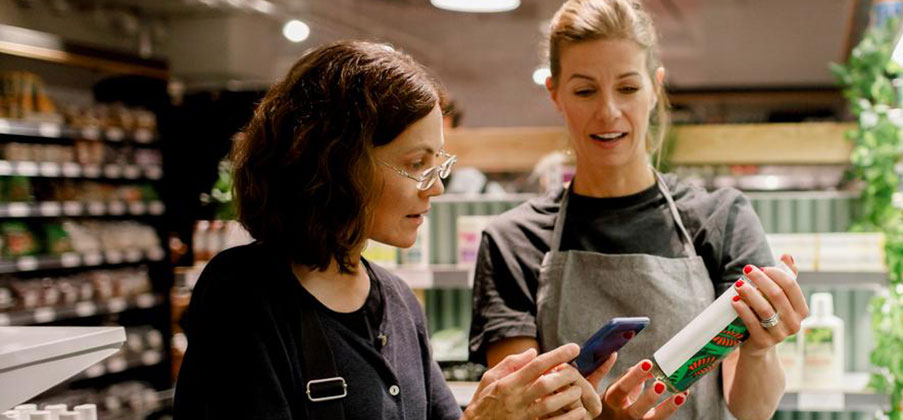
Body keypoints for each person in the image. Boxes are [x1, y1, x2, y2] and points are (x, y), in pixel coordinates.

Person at [174, 40, 602, 420]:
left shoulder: (399, 303)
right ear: (337, 162)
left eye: (438, 164)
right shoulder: (243, 295)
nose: (436, 187)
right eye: (417, 164)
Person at [468, 1, 809, 419]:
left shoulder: (721, 220)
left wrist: (759, 348)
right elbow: (522, 409)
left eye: (627, 88)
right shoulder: (513, 241)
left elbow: (752, 409)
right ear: (555, 93)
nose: (608, 111)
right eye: (585, 91)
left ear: (654, 88)